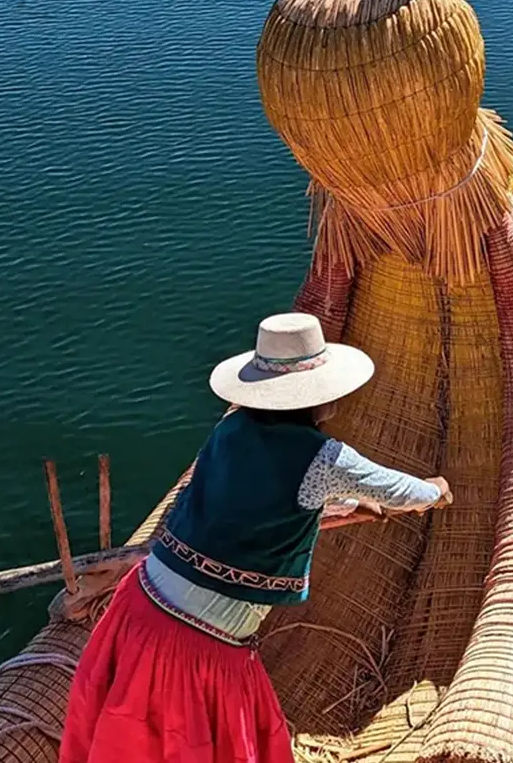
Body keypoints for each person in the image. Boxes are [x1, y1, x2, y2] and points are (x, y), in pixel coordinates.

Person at [60, 312, 453, 763]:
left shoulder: (229, 430)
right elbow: (398, 490)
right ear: (316, 397)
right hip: (192, 648)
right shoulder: (324, 457)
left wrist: (341, 507)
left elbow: (254, 505)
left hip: (140, 603)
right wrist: (435, 492)